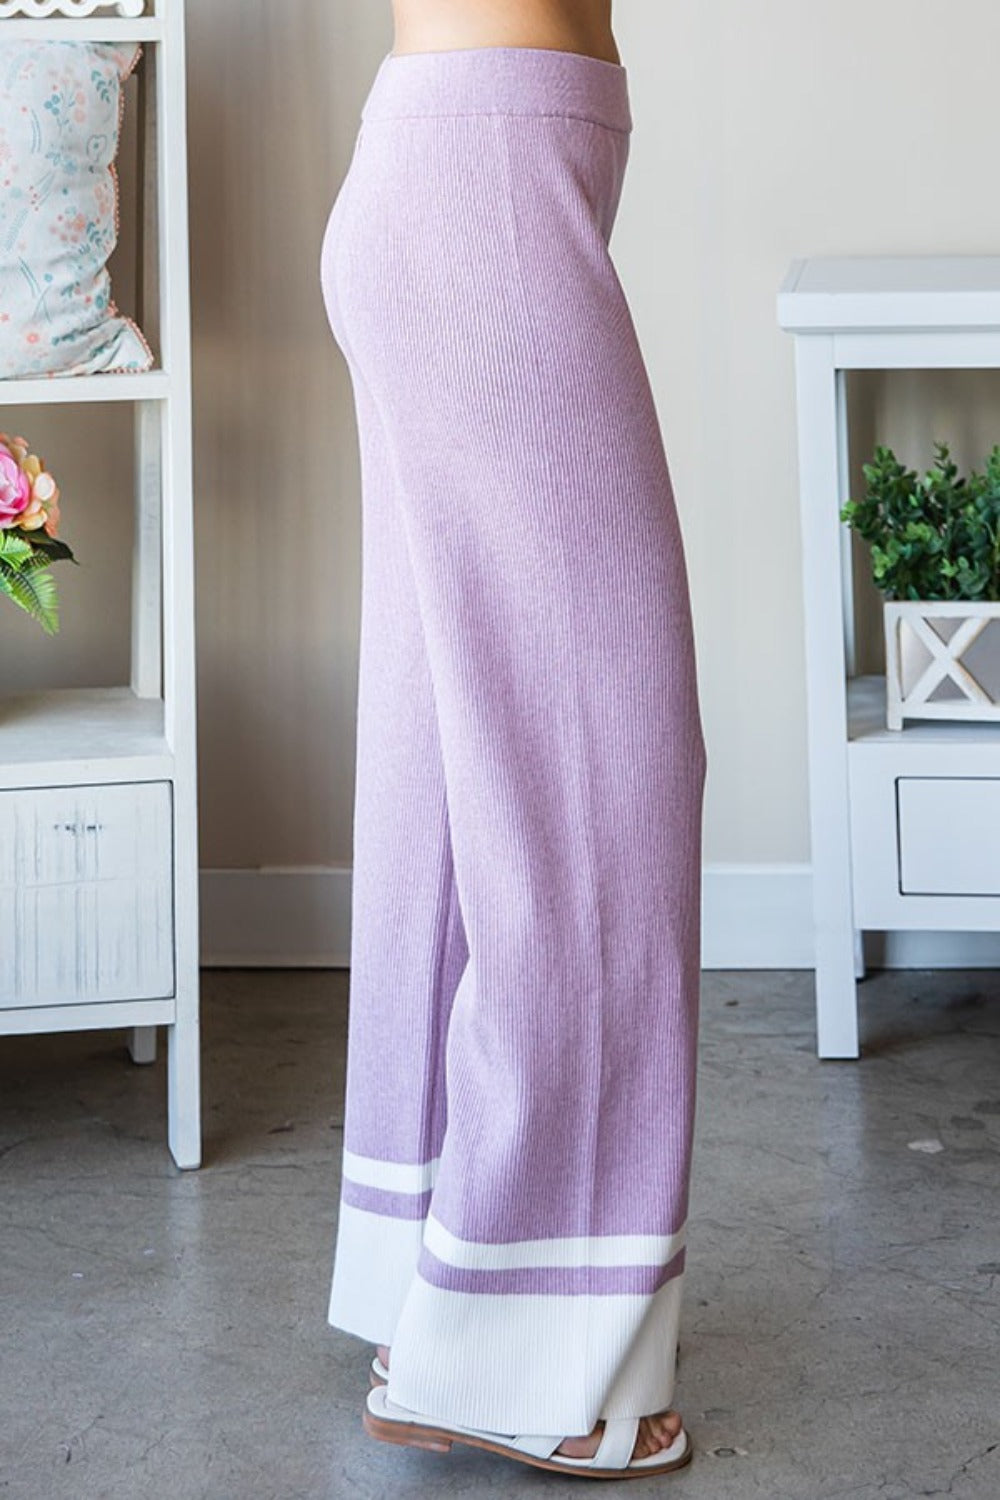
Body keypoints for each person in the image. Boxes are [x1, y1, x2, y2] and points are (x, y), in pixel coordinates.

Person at [320, 0, 708, 1479]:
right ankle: (528, 1358)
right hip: (483, 188)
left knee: (452, 770)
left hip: (465, 170)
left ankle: (437, 1283)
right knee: (601, 771)